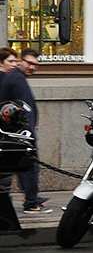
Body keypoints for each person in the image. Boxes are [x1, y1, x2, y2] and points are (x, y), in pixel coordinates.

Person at [0, 49, 46, 212]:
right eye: (29, 63)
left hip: (15, 132)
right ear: (22, 61)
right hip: (20, 133)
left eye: (35, 65)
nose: (32, 67)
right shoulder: (17, 79)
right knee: (28, 167)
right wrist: (28, 133)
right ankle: (31, 203)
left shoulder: (15, 77)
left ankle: (31, 198)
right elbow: (24, 108)